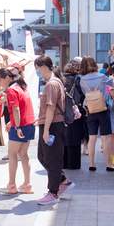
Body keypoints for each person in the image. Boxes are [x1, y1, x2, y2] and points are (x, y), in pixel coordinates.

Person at [34, 55, 73, 205]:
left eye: (38, 68)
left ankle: (53, 192)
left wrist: (46, 130)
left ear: (43, 67)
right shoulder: (55, 82)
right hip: (52, 124)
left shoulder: (51, 84)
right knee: (43, 156)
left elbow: (51, 108)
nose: (38, 71)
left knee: (52, 159)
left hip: (52, 126)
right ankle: (62, 181)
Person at [0, 68, 35, 194]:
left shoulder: (11, 89)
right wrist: (12, 122)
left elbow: (16, 109)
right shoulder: (22, 87)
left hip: (21, 126)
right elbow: (22, 108)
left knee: (12, 154)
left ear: (7, 78)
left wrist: (17, 126)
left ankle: (12, 185)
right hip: (29, 124)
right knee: (24, 155)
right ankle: (27, 184)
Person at [79, 57, 114, 171]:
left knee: (92, 137)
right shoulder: (103, 77)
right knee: (106, 137)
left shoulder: (82, 80)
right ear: (95, 64)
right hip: (103, 109)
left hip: (91, 109)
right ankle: (109, 164)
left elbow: (85, 93)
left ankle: (91, 164)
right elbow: (111, 89)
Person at [63, 59, 85, 169]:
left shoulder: (62, 78)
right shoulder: (78, 79)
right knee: (75, 137)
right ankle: (74, 164)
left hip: (63, 111)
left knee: (66, 137)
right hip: (75, 110)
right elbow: (81, 95)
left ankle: (65, 162)